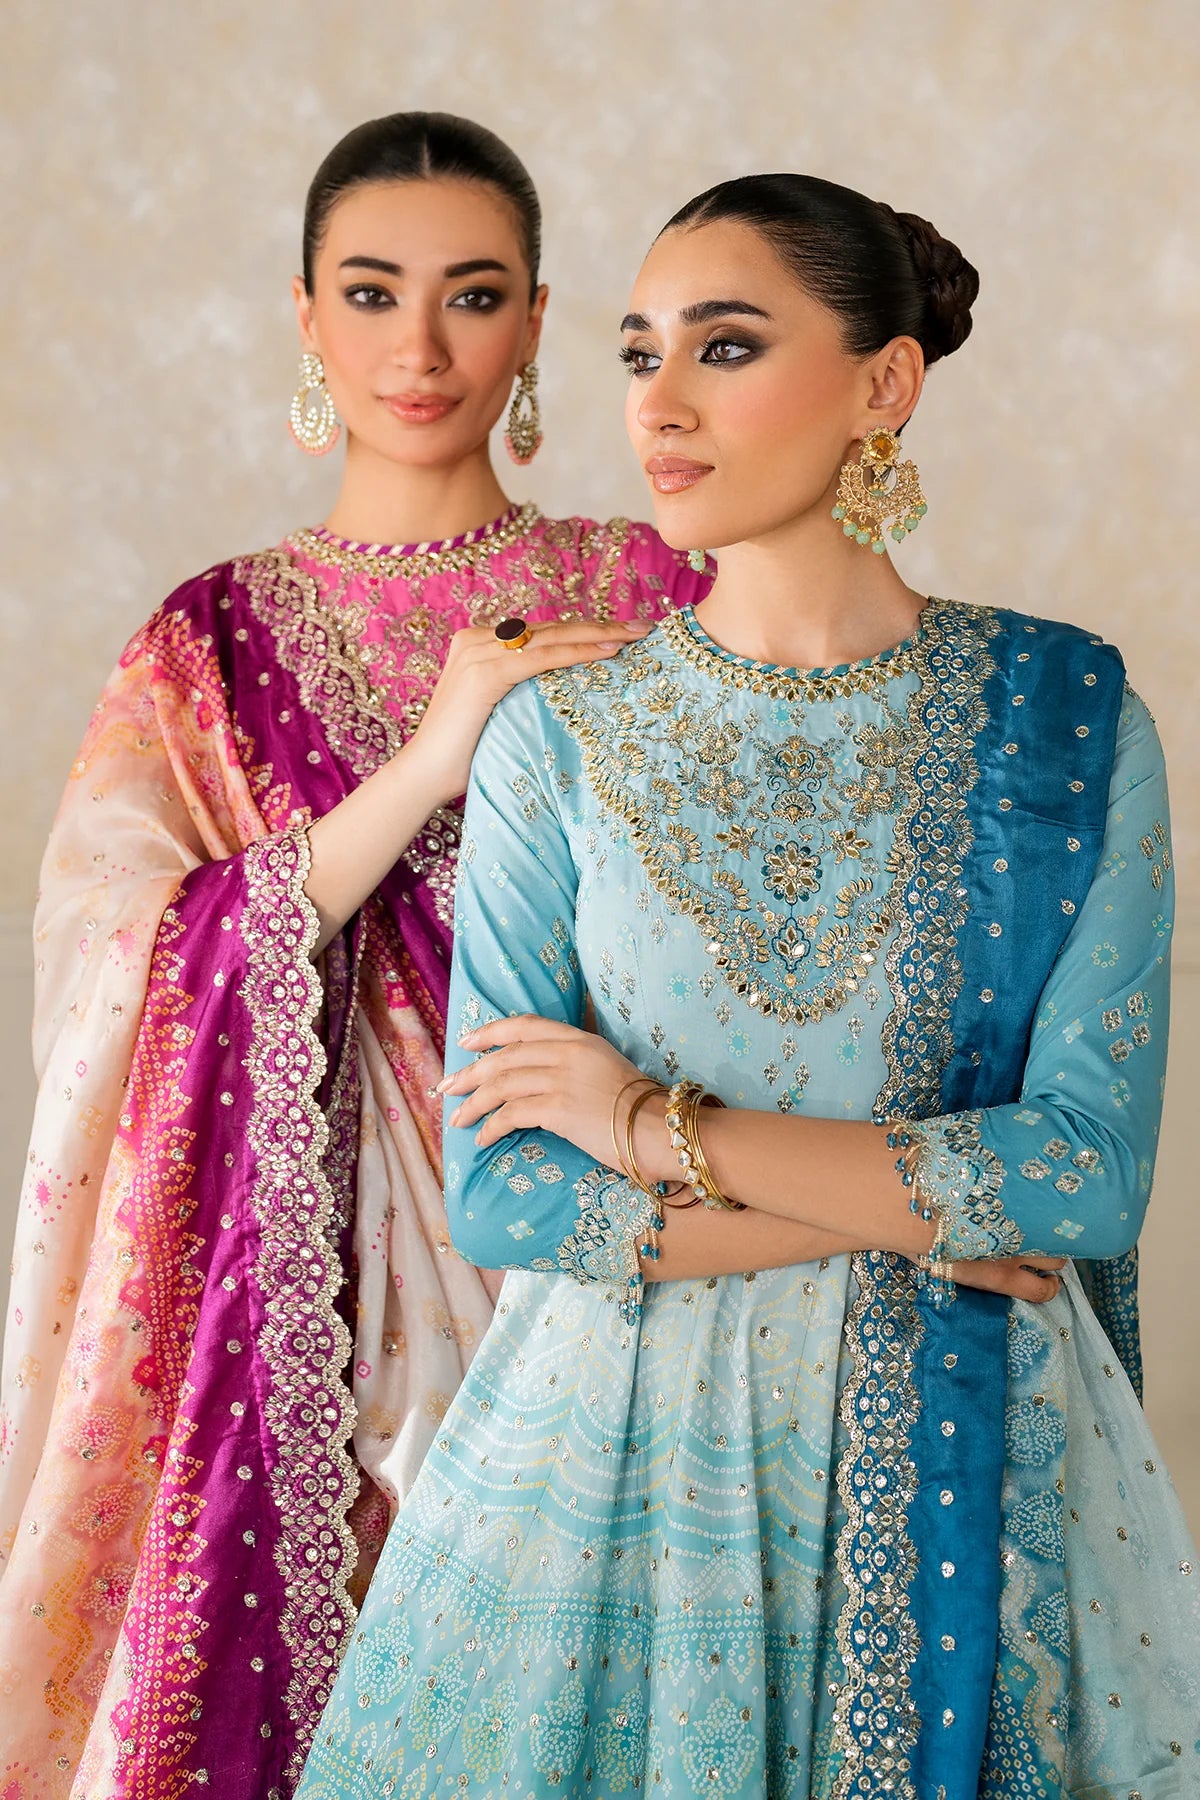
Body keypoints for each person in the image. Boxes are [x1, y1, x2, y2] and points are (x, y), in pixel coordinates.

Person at [298, 173, 1198, 1798]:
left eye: (724, 347)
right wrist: (916, 1213)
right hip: (614, 1485)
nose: (659, 403)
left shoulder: (1069, 727)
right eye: (640, 353)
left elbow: (1080, 1176)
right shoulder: (558, 740)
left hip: (981, 1466)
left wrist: (650, 1128)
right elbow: (506, 1193)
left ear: (884, 384)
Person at [0, 112, 711, 1798]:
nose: (421, 348)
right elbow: (107, 959)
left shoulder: (645, 586)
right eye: (374, 293)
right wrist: (433, 758)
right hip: (303, 1305)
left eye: (474, 296)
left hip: (609, 1242)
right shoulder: (209, 640)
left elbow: (751, 914)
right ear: (306, 316)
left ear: (536, 322)